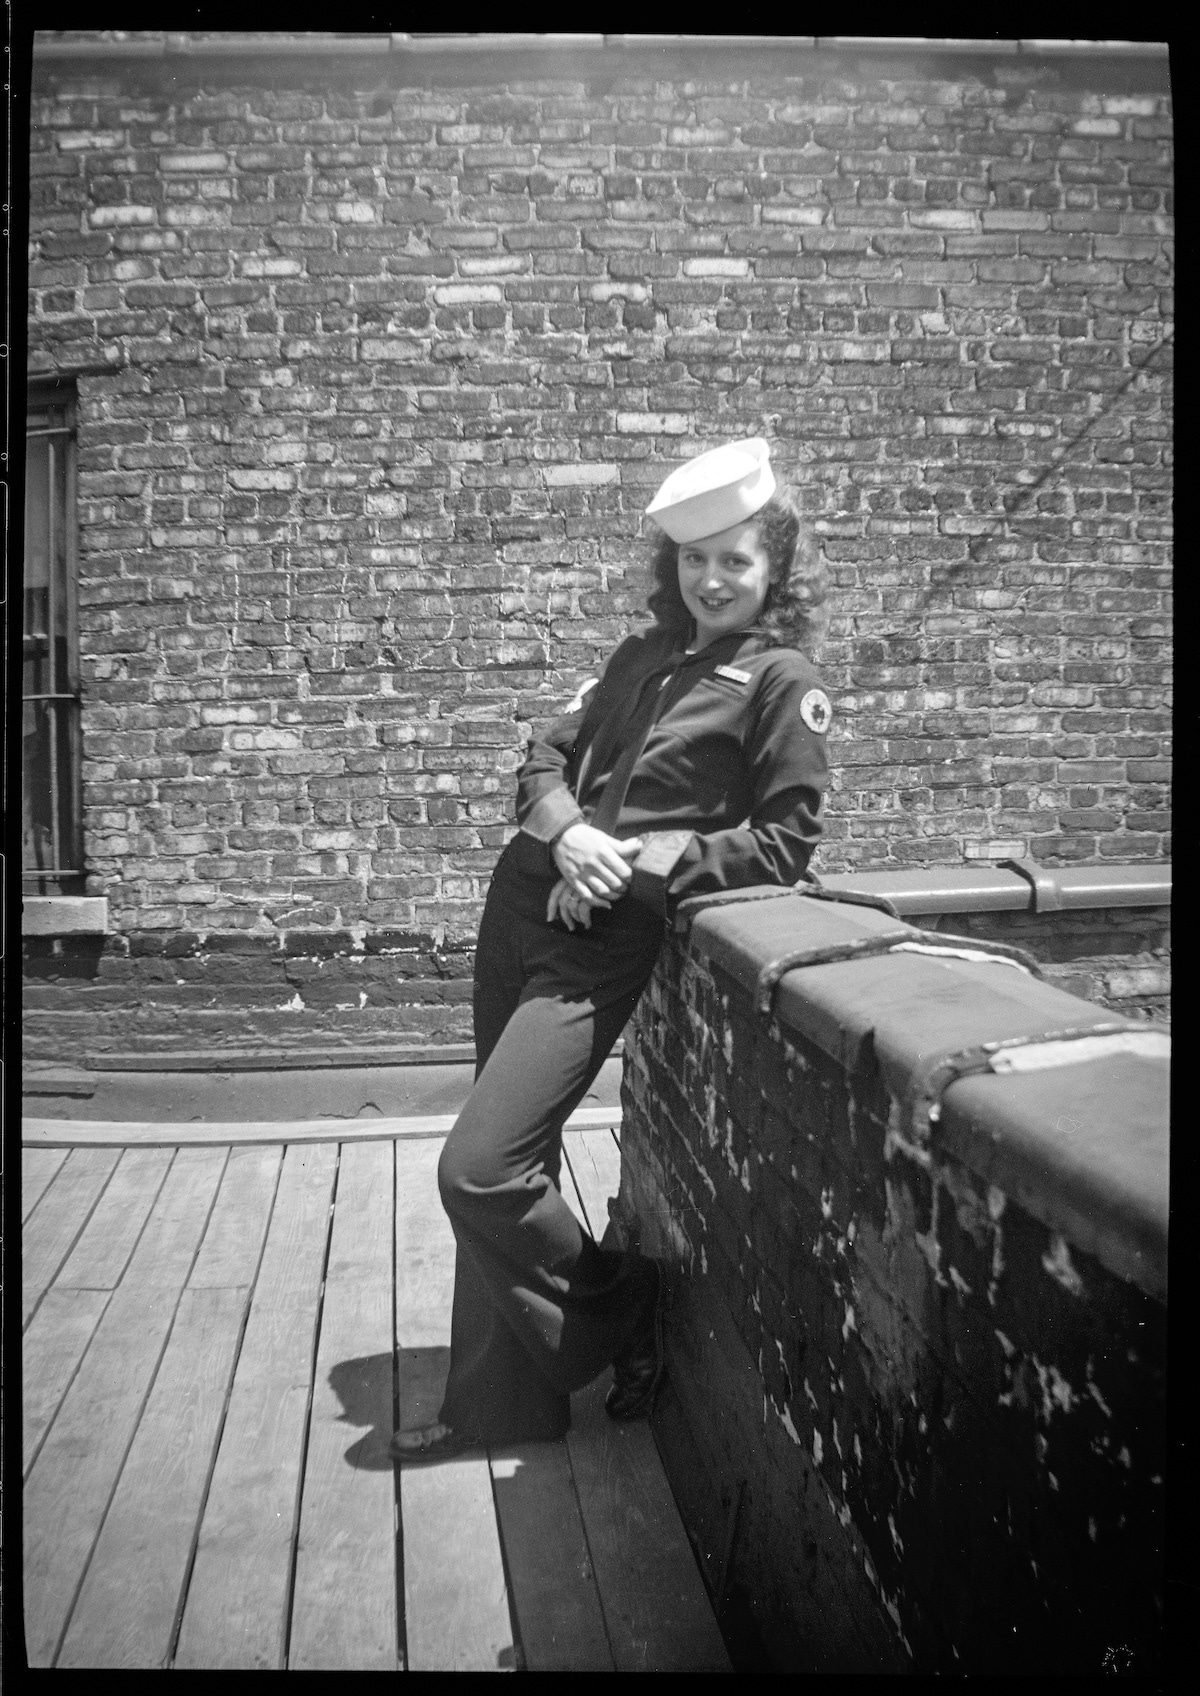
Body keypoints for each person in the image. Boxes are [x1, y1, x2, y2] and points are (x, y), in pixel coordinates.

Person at [390, 437, 832, 1461]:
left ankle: (624, 1305)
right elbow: (543, 756)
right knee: (522, 1149)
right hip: (525, 899)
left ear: (777, 567)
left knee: (482, 1168)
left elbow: (787, 841)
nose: (711, 579)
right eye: (694, 559)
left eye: (735, 559)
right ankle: (498, 1407)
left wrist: (628, 863)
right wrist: (570, 830)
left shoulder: (780, 680)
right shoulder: (642, 657)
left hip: (599, 939)